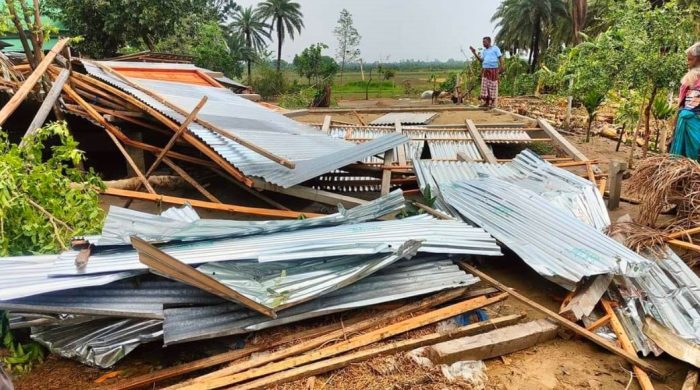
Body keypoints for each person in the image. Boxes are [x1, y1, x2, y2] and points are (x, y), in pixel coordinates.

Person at [669, 42, 700, 159]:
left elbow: (680, 105)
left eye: (690, 59)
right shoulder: (689, 77)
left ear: (698, 59)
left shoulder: (690, 78)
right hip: (688, 121)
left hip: (690, 120)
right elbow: (681, 105)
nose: (687, 62)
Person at [470, 37, 505, 108]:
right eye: (483, 42)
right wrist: (474, 53)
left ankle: (492, 103)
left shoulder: (495, 48)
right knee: (485, 87)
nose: (483, 43)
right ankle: (486, 103)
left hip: (493, 70)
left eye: (484, 42)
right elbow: (481, 60)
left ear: (489, 42)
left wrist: (501, 67)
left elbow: (500, 58)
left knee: (492, 86)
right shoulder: (484, 51)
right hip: (485, 70)